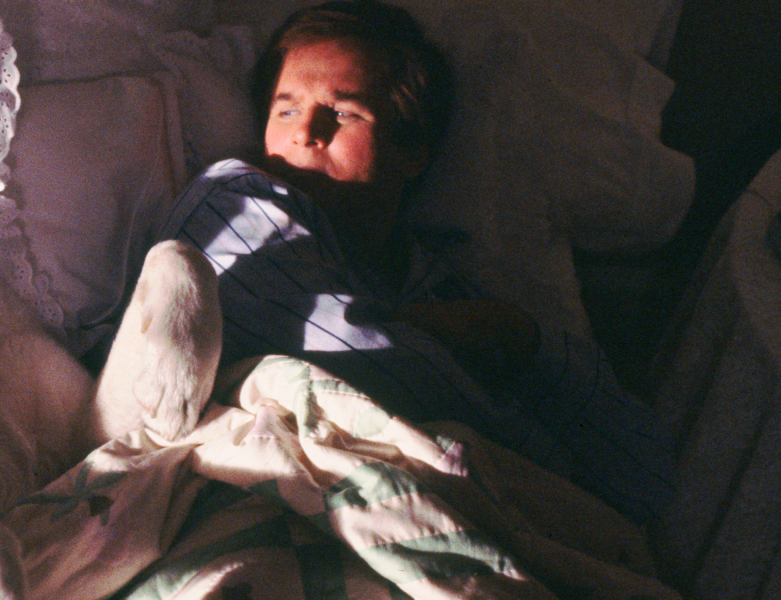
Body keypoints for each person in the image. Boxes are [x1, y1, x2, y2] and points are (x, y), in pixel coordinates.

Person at [155, 0, 674, 525]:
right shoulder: (232, 204)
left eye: (343, 113)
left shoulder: (457, 301)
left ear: (412, 150)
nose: (306, 131)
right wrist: (549, 472)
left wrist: (522, 340)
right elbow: (361, 367)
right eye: (285, 110)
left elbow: (652, 479)